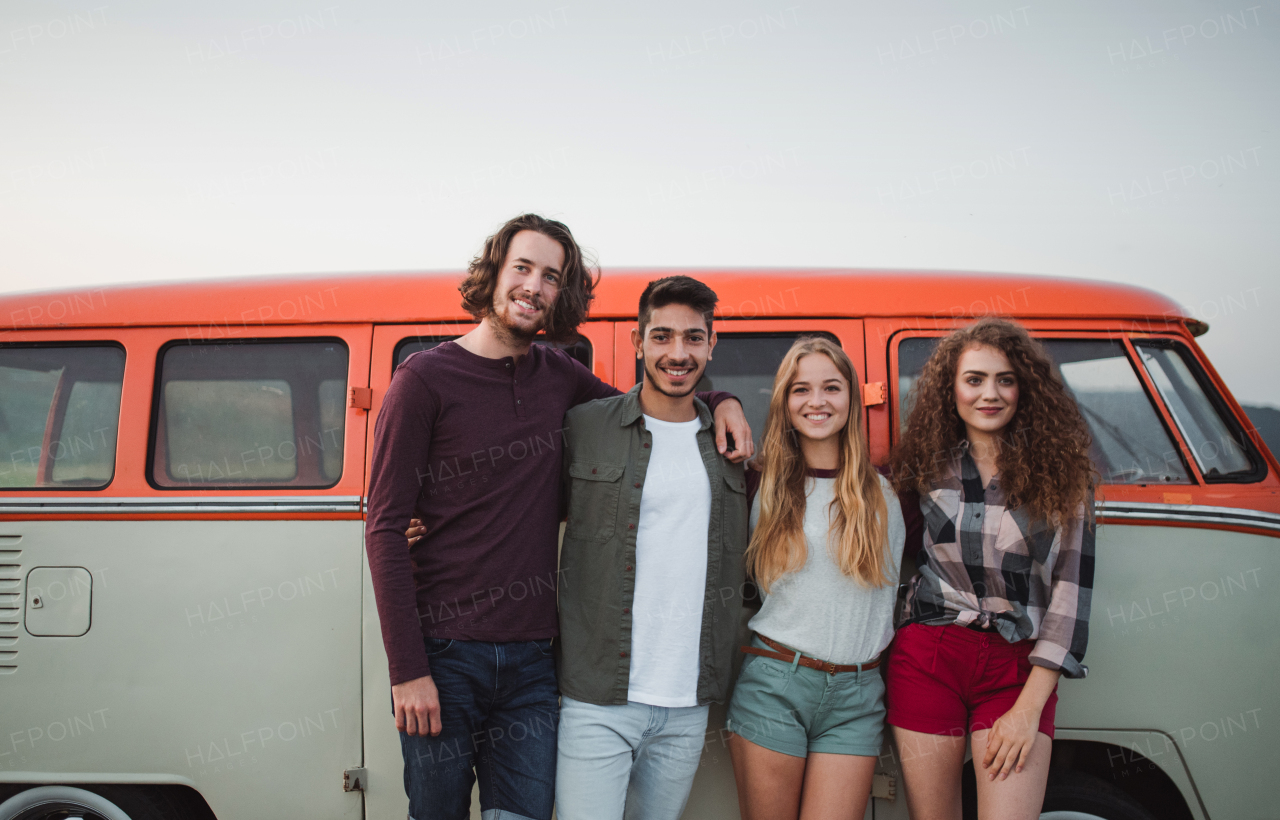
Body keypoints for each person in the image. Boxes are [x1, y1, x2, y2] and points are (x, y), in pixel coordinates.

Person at [366, 214, 752, 820]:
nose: (534, 285)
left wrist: (718, 398)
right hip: (445, 655)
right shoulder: (423, 380)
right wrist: (408, 671)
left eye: (551, 275)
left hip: (533, 665)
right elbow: (385, 529)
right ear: (494, 272)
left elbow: (648, 403)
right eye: (522, 267)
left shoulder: (558, 375)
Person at [553, 275, 750, 820]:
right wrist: (429, 519)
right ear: (638, 342)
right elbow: (517, 505)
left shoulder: (731, 445)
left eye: (693, 338)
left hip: (687, 704)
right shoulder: (584, 426)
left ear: (712, 345)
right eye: (661, 337)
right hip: (597, 697)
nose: (677, 353)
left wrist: (725, 400)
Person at [886, 317, 1096, 820]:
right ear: (951, 388)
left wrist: (1028, 711)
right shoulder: (923, 465)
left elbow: (1070, 597)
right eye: (974, 379)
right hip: (929, 654)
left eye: (1005, 379)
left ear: (1025, 389)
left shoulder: (1064, 475)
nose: (990, 393)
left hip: (1017, 668)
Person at [725, 336, 905, 820]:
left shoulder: (886, 491)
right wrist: (720, 399)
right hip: (776, 683)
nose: (817, 402)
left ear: (851, 397)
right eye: (801, 389)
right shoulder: (756, 485)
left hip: (857, 694)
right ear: (784, 400)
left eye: (832, 387)